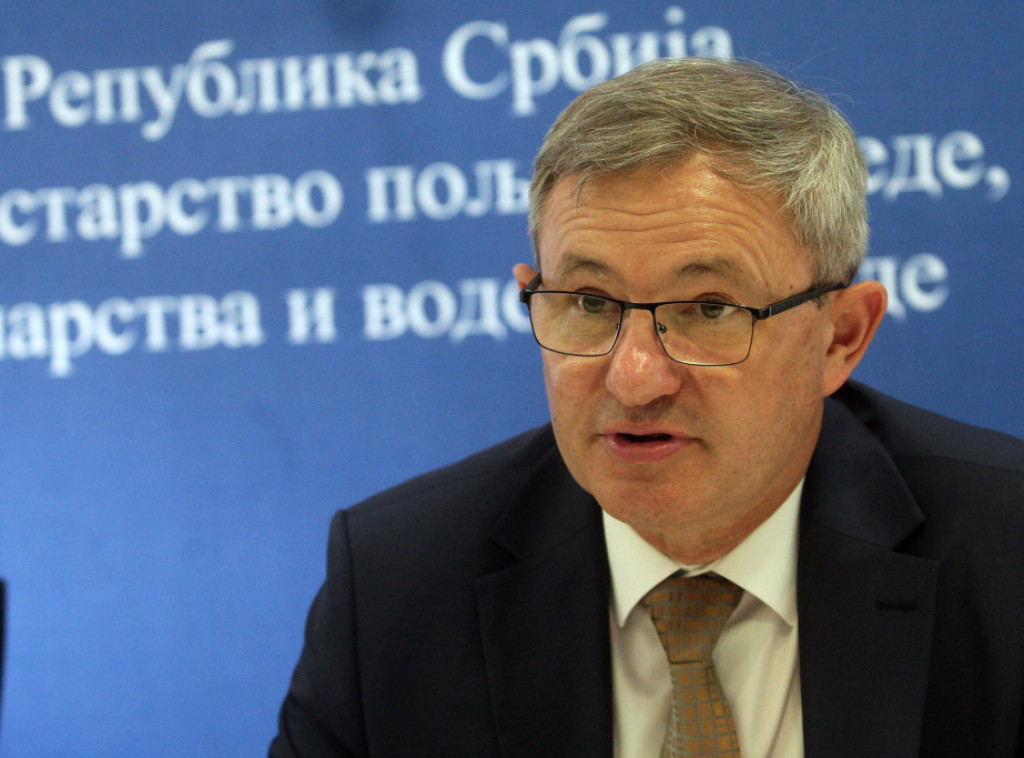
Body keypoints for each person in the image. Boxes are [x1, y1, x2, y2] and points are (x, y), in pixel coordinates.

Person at [269, 58, 1024, 757]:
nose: (635, 379)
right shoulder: (395, 590)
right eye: (589, 302)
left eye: (710, 308)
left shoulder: (1006, 560)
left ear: (842, 336)